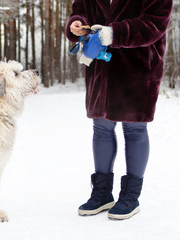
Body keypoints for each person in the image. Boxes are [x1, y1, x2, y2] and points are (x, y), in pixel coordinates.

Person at [65, 0, 173, 220]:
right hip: (101, 66)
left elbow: (155, 22)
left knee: (134, 129)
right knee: (101, 127)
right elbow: (80, 11)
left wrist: (115, 33)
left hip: (138, 66)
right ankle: (102, 193)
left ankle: (130, 197)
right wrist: (77, 23)